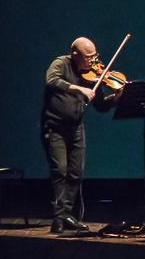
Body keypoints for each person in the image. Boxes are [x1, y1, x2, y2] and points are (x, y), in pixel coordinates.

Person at [41, 38, 122, 234]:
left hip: (76, 128)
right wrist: (79, 88)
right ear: (75, 54)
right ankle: (58, 218)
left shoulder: (91, 75)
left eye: (95, 56)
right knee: (60, 170)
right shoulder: (61, 63)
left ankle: (67, 214)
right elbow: (52, 81)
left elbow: (101, 105)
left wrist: (118, 97)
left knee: (75, 172)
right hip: (55, 127)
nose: (94, 61)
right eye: (89, 57)